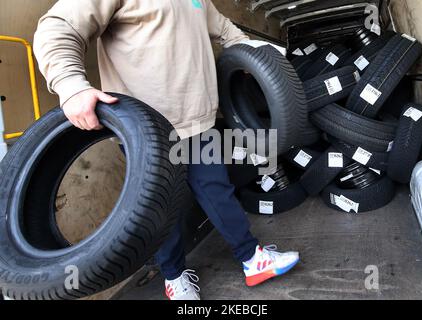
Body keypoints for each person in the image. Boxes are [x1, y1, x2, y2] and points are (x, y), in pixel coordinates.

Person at [34, 0, 300, 301]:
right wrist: (71, 85)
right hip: (149, 130)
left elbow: (225, 29)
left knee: (217, 191)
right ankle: (174, 277)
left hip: (198, 123)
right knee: (160, 210)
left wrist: (252, 57)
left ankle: (252, 258)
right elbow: (58, 27)